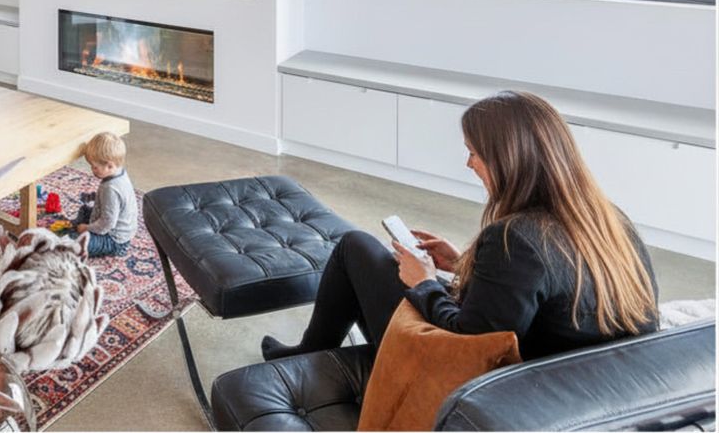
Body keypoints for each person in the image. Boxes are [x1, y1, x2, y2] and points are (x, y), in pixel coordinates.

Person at [260, 90, 659, 363]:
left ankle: (310, 354)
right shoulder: (610, 220)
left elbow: (470, 344)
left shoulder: (516, 238)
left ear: (509, 161)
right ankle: (312, 355)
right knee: (372, 255)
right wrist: (463, 265)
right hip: (565, 385)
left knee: (355, 248)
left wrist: (424, 282)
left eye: (474, 153)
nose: (469, 164)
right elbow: (547, 291)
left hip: (475, 384)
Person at [73, 131, 137, 258]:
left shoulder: (110, 188)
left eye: (94, 167)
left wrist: (86, 228)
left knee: (76, 245)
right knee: (85, 210)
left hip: (114, 239)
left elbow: (107, 223)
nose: (92, 170)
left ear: (110, 166)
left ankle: (76, 234)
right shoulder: (120, 172)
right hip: (113, 225)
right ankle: (77, 229)